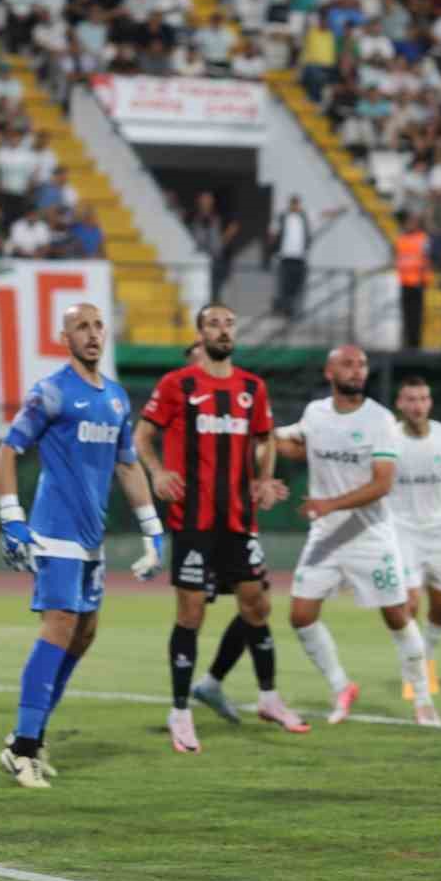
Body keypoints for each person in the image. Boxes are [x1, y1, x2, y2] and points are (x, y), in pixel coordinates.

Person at [0, 304, 163, 788]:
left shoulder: (114, 398)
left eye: (96, 326)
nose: (91, 334)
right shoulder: (51, 392)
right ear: (63, 337)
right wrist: (13, 519)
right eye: (80, 327)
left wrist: (153, 530)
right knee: (60, 623)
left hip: (92, 539)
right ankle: (23, 748)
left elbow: (128, 466)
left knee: (84, 634)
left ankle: (31, 735)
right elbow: (6, 454)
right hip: (55, 532)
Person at [135, 303, 303, 751]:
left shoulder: (252, 388)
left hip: (238, 520)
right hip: (192, 520)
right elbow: (142, 435)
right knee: (191, 614)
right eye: (214, 323)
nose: (223, 330)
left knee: (257, 606)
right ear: (200, 331)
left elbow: (265, 437)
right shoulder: (178, 385)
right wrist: (156, 472)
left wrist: (264, 479)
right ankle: (179, 711)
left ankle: (268, 696)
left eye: (230, 322)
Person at [275, 346, 433, 723]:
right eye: (348, 363)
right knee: (300, 615)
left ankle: (423, 699)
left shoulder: (379, 419)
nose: (357, 369)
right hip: (325, 536)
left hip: (369, 535)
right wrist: (260, 435)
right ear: (329, 371)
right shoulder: (315, 413)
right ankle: (340, 686)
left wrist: (329, 504)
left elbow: (382, 484)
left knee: (397, 615)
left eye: (362, 364)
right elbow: (294, 443)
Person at [391, 376, 441, 716]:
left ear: (430, 402)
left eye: (423, 398)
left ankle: (426, 654)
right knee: (408, 604)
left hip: (440, 535)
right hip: (401, 534)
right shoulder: (389, 439)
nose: (417, 405)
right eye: (411, 399)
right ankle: (422, 697)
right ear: (400, 403)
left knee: (440, 608)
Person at [395, 213, 431, 350]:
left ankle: (415, 344)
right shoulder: (401, 239)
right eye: (409, 222)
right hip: (404, 281)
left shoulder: (423, 238)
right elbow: (399, 258)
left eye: (413, 222)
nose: (411, 225)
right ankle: (407, 342)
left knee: (416, 315)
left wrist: (423, 279)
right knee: (406, 314)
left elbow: (426, 259)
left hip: (417, 281)